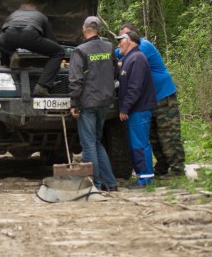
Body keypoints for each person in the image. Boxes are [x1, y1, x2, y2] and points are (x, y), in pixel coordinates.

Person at [117, 23, 185, 178]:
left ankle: (178, 170)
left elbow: (117, 55)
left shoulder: (143, 45)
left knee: (168, 135)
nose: (121, 41)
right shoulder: (133, 50)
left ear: (132, 36)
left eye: (123, 37)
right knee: (154, 136)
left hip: (163, 95)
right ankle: (162, 168)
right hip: (149, 99)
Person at [69, 17, 119, 192]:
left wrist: (73, 103)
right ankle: (110, 183)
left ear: (84, 29)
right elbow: (116, 72)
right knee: (97, 142)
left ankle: (94, 185)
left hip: (88, 102)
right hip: (105, 100)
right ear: (98, 30)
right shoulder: (109, 47)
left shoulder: (80, 51)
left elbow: (76, 80)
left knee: (88, 143)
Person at [115, 31, 157, 188]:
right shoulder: (128, 59)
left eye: (121, 40)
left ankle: (146, 179)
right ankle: (142, 176)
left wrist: (124, 108)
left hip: (139, 109)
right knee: (135, 143)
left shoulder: (137, 58)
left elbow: (135, 88)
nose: (118, 44)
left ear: (129, 41)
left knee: (140, 143)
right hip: (135, 110)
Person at [0, 2, 65, 96]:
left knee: (0, 40)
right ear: (34, 9)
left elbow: (3, 33)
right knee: (59, 52)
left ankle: (12, 55)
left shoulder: (13, 14)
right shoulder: (40, 15)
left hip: (9, 35)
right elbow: (51, 39)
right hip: (30, 36)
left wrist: (6, 59)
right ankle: (42, 86)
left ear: (21, 9)